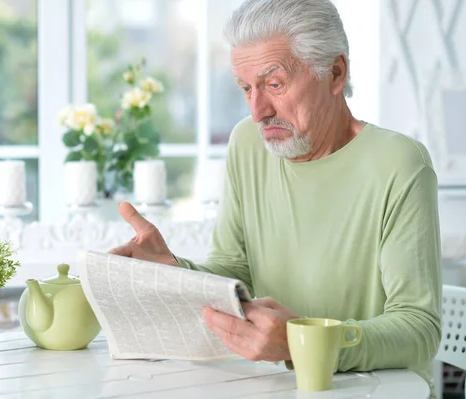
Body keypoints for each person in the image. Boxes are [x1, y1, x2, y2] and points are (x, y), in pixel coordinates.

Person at [110, 0, 441, 393]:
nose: (258, 111)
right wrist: (172, 270)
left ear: (335, 74)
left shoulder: (400, 164)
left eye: (275, 84)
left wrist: (302, 343)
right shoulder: (247, 144)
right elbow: (235, 272)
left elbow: (419, 327)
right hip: (273, 386)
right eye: (247, 88)